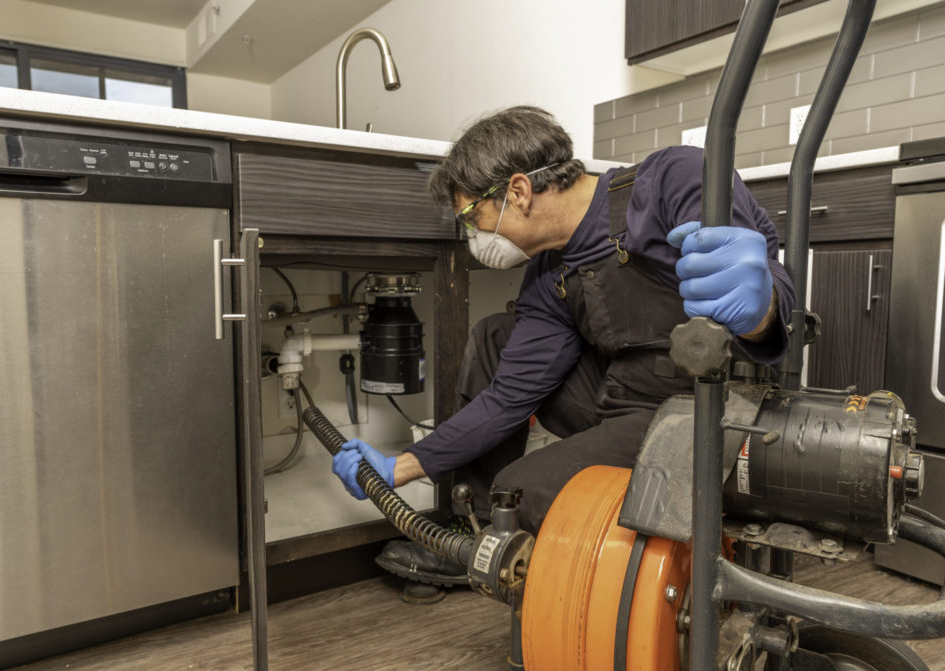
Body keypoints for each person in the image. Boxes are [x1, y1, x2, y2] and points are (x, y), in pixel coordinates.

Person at [332, 105, 794, 586]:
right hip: (627, 396)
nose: (475, 234)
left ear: (518, 191)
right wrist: (401, 466)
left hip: (706, 404)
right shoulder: (547, 275)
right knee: (495, 335)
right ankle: (478, 526)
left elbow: (764, 290)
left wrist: (759, 311)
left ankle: (505, 535)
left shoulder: (671, 179)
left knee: (521, 489)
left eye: (472, 215)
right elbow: (509, 396)